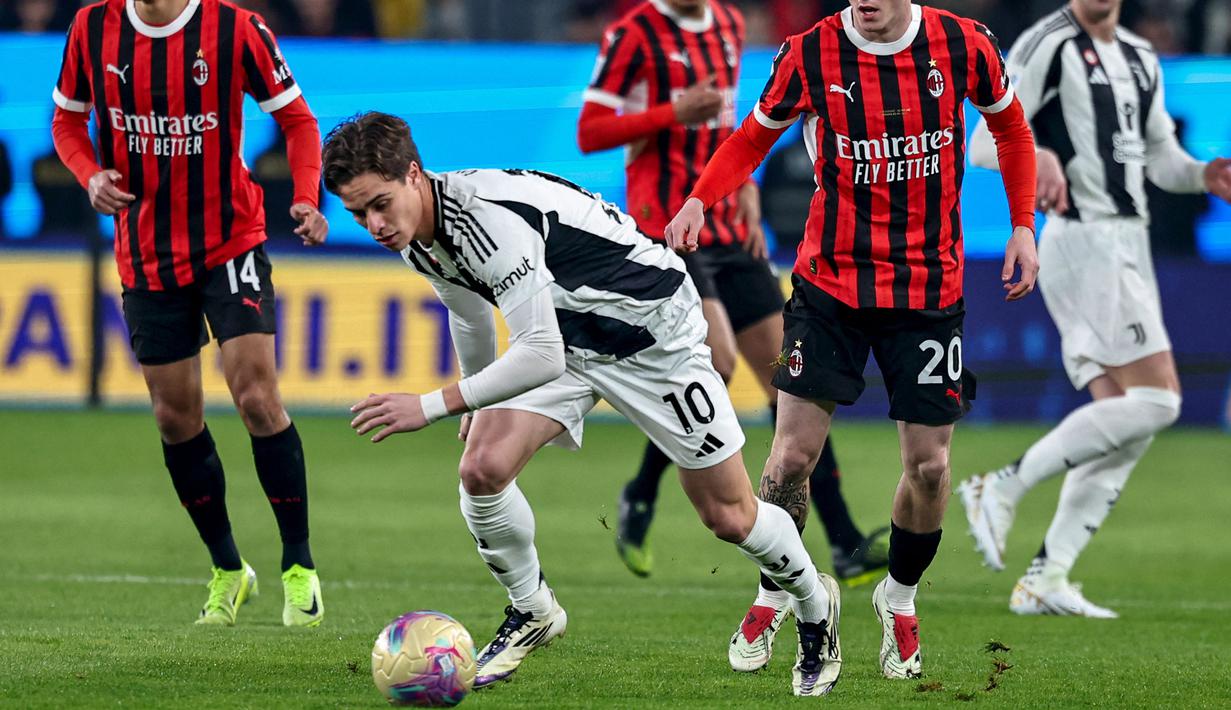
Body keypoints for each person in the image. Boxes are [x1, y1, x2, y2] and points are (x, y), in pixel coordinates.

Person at [324, 112, 842, 696]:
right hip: (570, 339)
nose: (373, 224)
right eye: (357, 213)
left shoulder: (485, 220)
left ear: (414, 174)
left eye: (379, 204)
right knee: (481, 467)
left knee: (729, 516)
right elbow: (467, 310)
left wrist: (434, 404)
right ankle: (534, 610)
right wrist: (472, 393)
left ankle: (814, 601)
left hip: (652, 333)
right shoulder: (418, 234)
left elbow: (537, 354)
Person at [662, 0, 1038, 679]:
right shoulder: (809, 53)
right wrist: (699, 197)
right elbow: (753, 136)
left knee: (928, 467)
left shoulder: (962, 45)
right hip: (827, 288)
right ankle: (775, 590)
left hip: (927, 292)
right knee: (788, 459)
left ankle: (898, 597)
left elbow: (1010, 129)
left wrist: (1022, 225)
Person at [576, 0, 890, 626]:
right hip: (668, 231)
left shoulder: (728, 24)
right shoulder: (634, 34)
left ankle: (845, 542)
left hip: (727, 226)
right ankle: (640, 497)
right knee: (713, 365)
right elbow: (591, 132)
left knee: (793, 382)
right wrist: (670, 114)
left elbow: (733, 124)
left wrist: (743, 184)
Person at [51, 0, 330, 627]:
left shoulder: (236, 29)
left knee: (256, 397)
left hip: (230, 238)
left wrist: (309, 198)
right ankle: (229, 570)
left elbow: (299, 122)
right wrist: (89, 174)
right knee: (175, 417)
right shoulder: (92, 28)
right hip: (146, 253)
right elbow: (67, 123)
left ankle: (299, 564)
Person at [960, 0, 1231, 618]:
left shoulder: (1139, 56)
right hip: (1084, 239)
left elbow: (1158, 156)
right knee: (1160, 402)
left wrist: (1202, 175)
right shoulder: (1048, 42)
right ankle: (1003, 485)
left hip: (1127, 239)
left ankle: (1046, 577)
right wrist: (1039, 154)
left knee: (1124, 422)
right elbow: (982, 142)